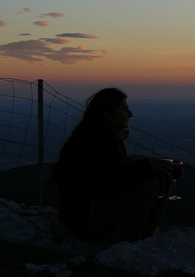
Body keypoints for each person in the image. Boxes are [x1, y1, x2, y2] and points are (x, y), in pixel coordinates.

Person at [51, 87, 182, 245]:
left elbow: (116, 171)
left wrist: (159, 168)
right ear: (107, 113)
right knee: (150, 184)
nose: (130, 114)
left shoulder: (102, 135)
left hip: (87, 213)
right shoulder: (93, 140)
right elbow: (107, 182)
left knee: (162, 179)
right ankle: (124, 244)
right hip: (83, 219)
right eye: (124, 110)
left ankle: (142, 239)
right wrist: (148, 167)